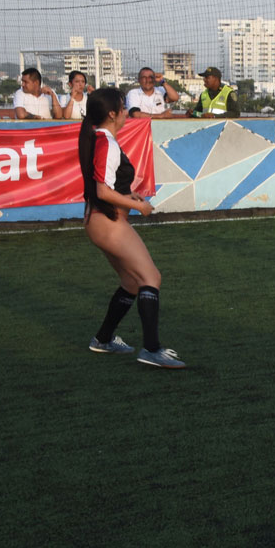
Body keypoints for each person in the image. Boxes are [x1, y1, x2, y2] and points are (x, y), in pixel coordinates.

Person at [77, 87, 186, 368]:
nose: (126, 113)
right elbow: (102, 190)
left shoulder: (101, 139)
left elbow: (106, 187)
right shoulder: (106, 143)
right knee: (151, 277)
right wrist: (139, 206)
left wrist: (129, 197)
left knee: (131, 282)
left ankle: (102, 339)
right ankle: (151, 349)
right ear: (112, 114)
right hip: (108, 223)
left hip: (100, 221)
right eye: (123, 108)